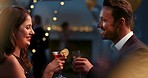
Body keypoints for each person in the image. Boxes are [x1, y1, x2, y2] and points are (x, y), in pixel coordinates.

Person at [73, 0, 148, 78]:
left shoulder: (140, 52)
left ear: (120, 23)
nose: (99, 25)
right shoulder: (117, 50)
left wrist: (91, 70)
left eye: (104, 20)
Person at [0, 6, 65, 78]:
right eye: (27, 27)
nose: (33, 32)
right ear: (13, 30)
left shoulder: (19, 58)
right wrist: (49, 72)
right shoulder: (10, 61)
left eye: (32, 27)